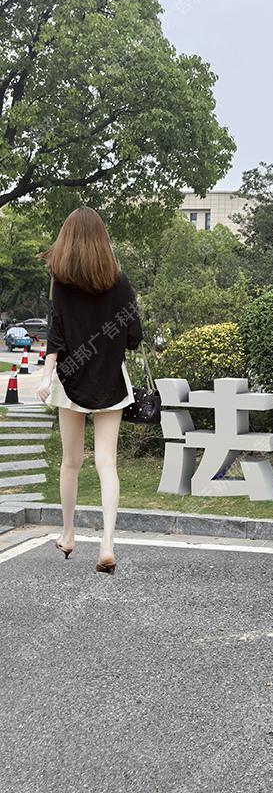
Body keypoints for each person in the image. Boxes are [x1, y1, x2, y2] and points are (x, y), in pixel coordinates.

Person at [36, 207, 143, 574]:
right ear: (102, 240)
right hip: (110, 379)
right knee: (106, 463)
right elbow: (134, 336)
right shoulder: (120, 282)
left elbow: (55, 337)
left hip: (70, 379)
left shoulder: (60, 283)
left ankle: (68, 535)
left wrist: (46, 376)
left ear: (67, 239)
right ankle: (108, 543)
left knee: (71, 461)